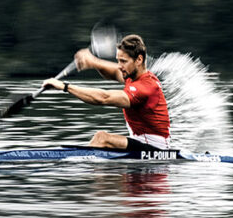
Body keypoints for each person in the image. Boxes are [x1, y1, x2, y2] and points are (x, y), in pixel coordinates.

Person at [42, 33, 171, 151]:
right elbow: (114, 72)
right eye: (118, 60)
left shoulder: (146, 87)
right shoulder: (133, 76)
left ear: (139, 60)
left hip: (156, 148)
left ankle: (81, 165)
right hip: (140, 143)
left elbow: (104, 98)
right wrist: (93, 62)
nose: (120, 66)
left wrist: (65, 87)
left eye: (123, 61)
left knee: (102, 138)